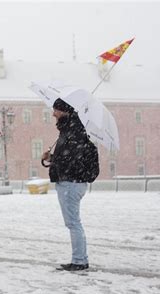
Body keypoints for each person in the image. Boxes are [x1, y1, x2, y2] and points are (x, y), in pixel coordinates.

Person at [41, 98, 99, 272]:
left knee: (73, 223)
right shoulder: (71, 130)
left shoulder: (73, 132)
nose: (53, 114)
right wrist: (51, 158)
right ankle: (79, 259)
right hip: (71, 182)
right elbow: (69, 159)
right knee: (73, 223)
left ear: (64, 111)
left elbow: (71, 161)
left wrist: (54, 159)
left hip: (71, 184)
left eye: (56, 110)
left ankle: (80, 261)